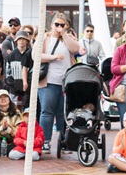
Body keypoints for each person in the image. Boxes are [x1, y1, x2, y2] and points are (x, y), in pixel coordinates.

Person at [38, 13, 80, 152]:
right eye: (57, 24)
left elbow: (76, 49)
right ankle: (46, 141)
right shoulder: (45, 38)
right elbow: (35, 56)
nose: (59, 27)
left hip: (65, 83)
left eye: (62, 25)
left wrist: (66, 35)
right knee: (47, 112)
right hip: (48, 82)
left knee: (63, 113)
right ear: (51, 25)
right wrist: (53, 57)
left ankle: (64, 141)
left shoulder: (68, 39)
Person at [4, 29, 32, 107]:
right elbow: (7, 73)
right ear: (16, 41)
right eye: (19, 39)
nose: (21, 41)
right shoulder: (11, 55)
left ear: (27, 41)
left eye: (23, 39)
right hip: (14, 91)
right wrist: (14, 85)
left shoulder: (31, 54)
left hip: (28, 91)